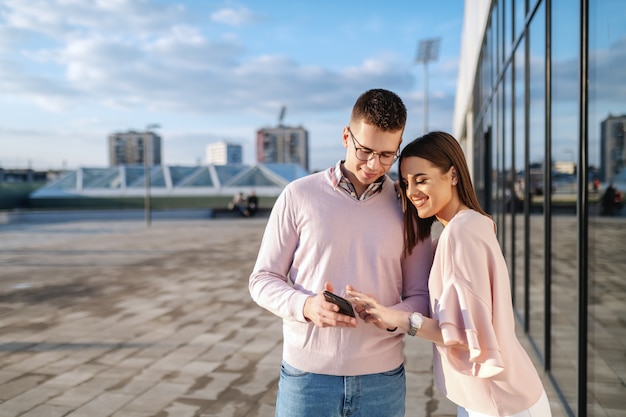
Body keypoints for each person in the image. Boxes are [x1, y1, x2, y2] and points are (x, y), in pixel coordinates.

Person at [249, 88, 433, 417]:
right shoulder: (298, 195)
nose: (374, 164)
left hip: (382, 380)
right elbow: (263, 279)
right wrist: (305, 306)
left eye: (388, 155)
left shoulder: (408, 207)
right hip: (306, 379)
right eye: (365, 151)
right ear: (346, 136)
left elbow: (420, 295)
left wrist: (388, 316)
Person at [348, 131, 552, 417]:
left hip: (501, 402)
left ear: (453, 175)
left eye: (421, 180)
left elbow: (464, 334)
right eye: (406, 184)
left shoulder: (462, 232)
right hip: (491, 396)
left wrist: (395, 317)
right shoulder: (469, 226)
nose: (412, 192)